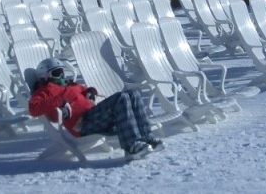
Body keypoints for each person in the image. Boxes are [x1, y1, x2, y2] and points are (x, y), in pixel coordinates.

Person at [27, 58, 164, 160]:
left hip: (94, 115)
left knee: (133, 94)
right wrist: (62, 98)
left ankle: (146, 137)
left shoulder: (69, 85)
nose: (62, 76)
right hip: (82, 124)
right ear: (45, 76)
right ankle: (131, 147)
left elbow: (84, 89)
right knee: (121, 98)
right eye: (57, 73)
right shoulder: (44, 91)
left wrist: (90, 91)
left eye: (62, 72)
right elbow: (33, 108)